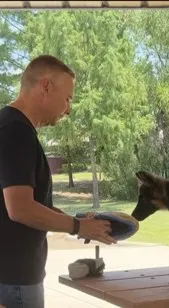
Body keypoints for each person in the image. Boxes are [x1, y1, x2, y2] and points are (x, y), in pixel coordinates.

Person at [0, 55, 117, 308]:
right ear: (45, 87)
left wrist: (78, 222)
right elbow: (19, 208)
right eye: (67, 98)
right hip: (14, 280)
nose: (69, 109)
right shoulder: (15, 131)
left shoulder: (11, 126)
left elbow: (31, 203)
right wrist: (76, 227)